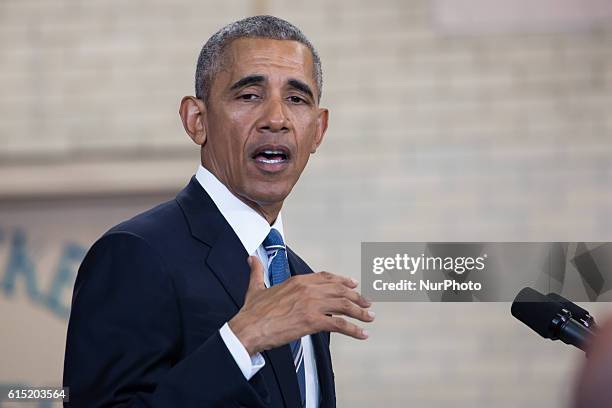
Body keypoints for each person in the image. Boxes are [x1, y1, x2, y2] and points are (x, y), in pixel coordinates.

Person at [62, 15, 374, 408]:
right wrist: (241, 340)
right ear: (197, 120)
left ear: (318, 130)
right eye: (249, 95)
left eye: (296, 99)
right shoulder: (136, 253)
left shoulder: (299, 279)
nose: (276, 119)